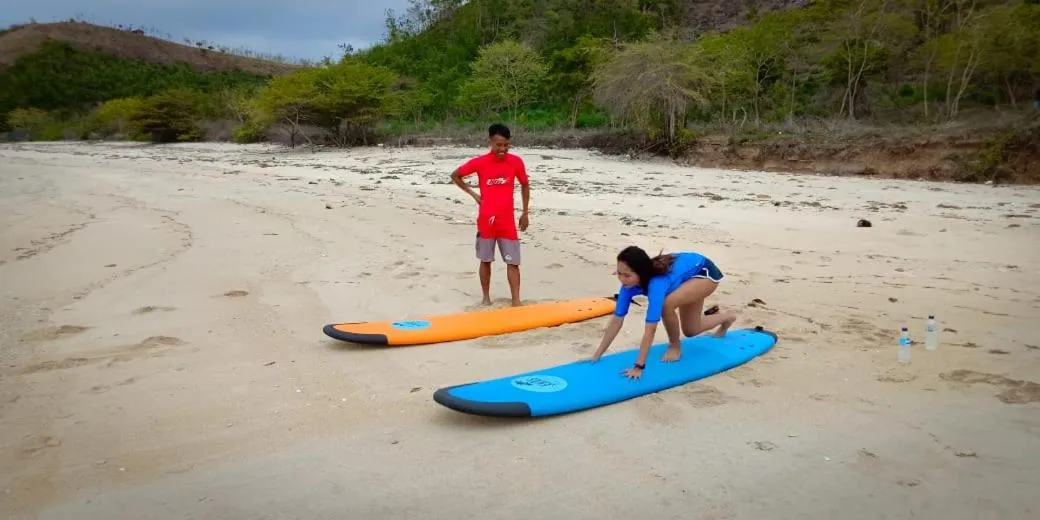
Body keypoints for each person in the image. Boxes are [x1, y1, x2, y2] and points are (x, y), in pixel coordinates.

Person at [589, 246, 737, 379]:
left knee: (666, 305)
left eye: (627, 275)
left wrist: (639, 366)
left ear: (642, 272)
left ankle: (675, 346)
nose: (622, 279)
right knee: (691, 330)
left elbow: (650, 329)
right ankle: (728, 317)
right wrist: (597, 355)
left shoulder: (656, 284)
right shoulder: (627, 286)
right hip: (686, 277)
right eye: (619, 274)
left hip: (704, 272)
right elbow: (617, 320)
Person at [450, 123, 531, 306]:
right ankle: (486, 298)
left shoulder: (516, 162)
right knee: (485, 260)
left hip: (507, 221)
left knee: (513, 262)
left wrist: (525, 212)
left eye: (506, 145)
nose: (502, 149)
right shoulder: (480, 163)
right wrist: (474, 194)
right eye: (498, 145)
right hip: (486, 220)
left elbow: (525, 185)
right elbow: (455, 175)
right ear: (490, 143)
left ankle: (516, 301)